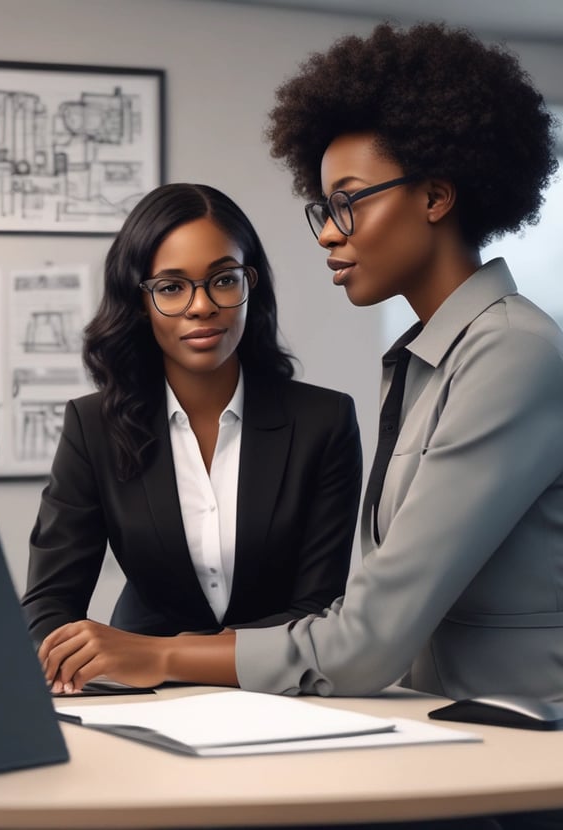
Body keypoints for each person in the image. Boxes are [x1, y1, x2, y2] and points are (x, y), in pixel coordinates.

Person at [37, 21, 563, 713]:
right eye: (323, 207)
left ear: (435, 197)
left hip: (521, 748)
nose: (326, 232)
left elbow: (365, 637)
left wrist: (158, 653)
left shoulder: (511, 351)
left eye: (348, 202)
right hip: (440, 724)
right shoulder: (430, 360)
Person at [23, 182, 362, 653]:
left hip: (280, 689)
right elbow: (49, 604)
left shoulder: (324, 422)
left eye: (224, 279)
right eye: (171, 287)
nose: (201, 306)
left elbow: (318, 608)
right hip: (142, 696)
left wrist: (168, 658)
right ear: (140, 301)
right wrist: (73, 661)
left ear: (251, 284)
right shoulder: (93, 425)